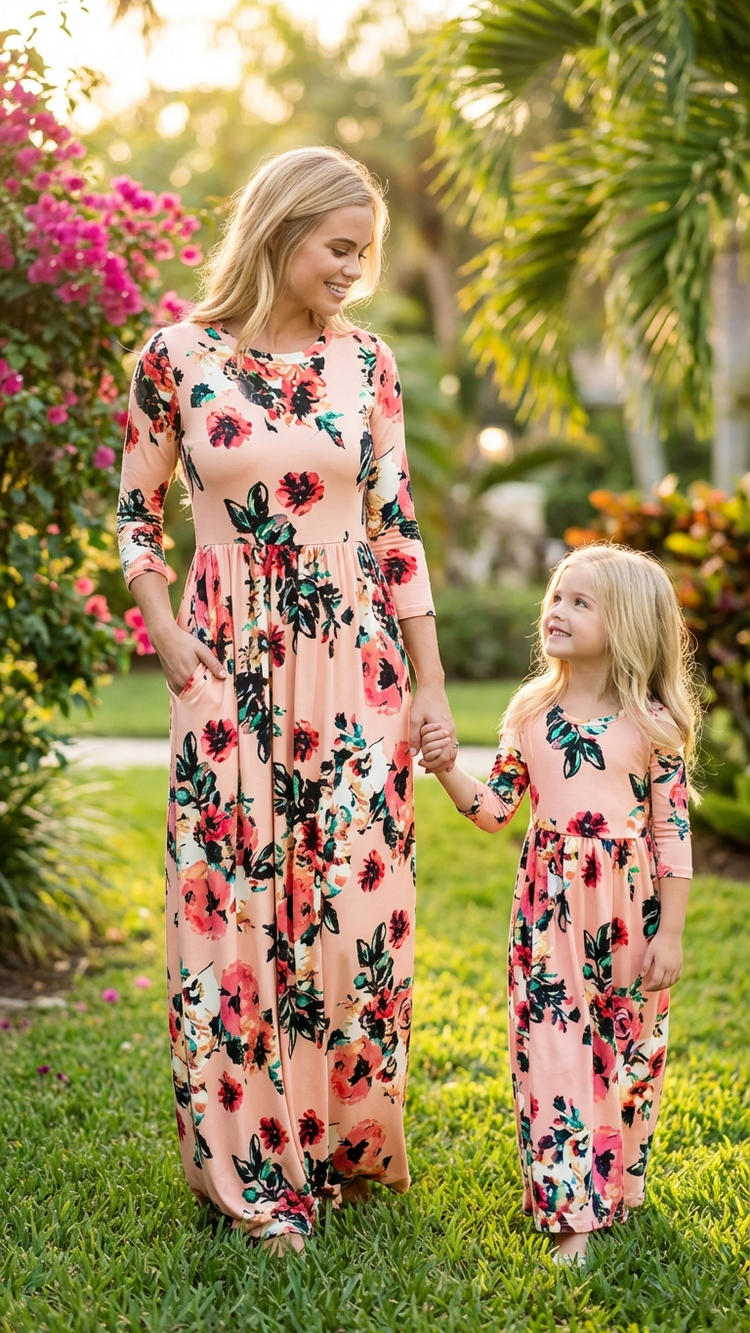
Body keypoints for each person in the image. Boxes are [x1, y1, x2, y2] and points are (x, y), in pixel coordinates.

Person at [117, 146, 456, 1251]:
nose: (356, 268)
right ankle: (255, 1176)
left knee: (354, 912)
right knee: (234, 906)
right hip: (223, 657)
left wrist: (432, 688)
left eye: (366, 249)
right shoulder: (175, 356)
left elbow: (397, 532)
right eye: (339, 246)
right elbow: (136, 515)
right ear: (280, 230)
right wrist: (161, 624)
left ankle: (340, 1141)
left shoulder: (370, 363)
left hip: (354, 665)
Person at [420, 544, 698, 1263]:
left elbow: (673, 834)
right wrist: (448, 768)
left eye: (580, 601)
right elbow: (493, 810)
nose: (557, 610)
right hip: (550, 912)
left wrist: (670, 933)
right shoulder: (532, 711)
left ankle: (616, 1186)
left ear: (629, 623)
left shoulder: (654, 723)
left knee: (626, 1049)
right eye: (556, 596)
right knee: (553, 1049)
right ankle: (569, 1207)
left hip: (629, 909)